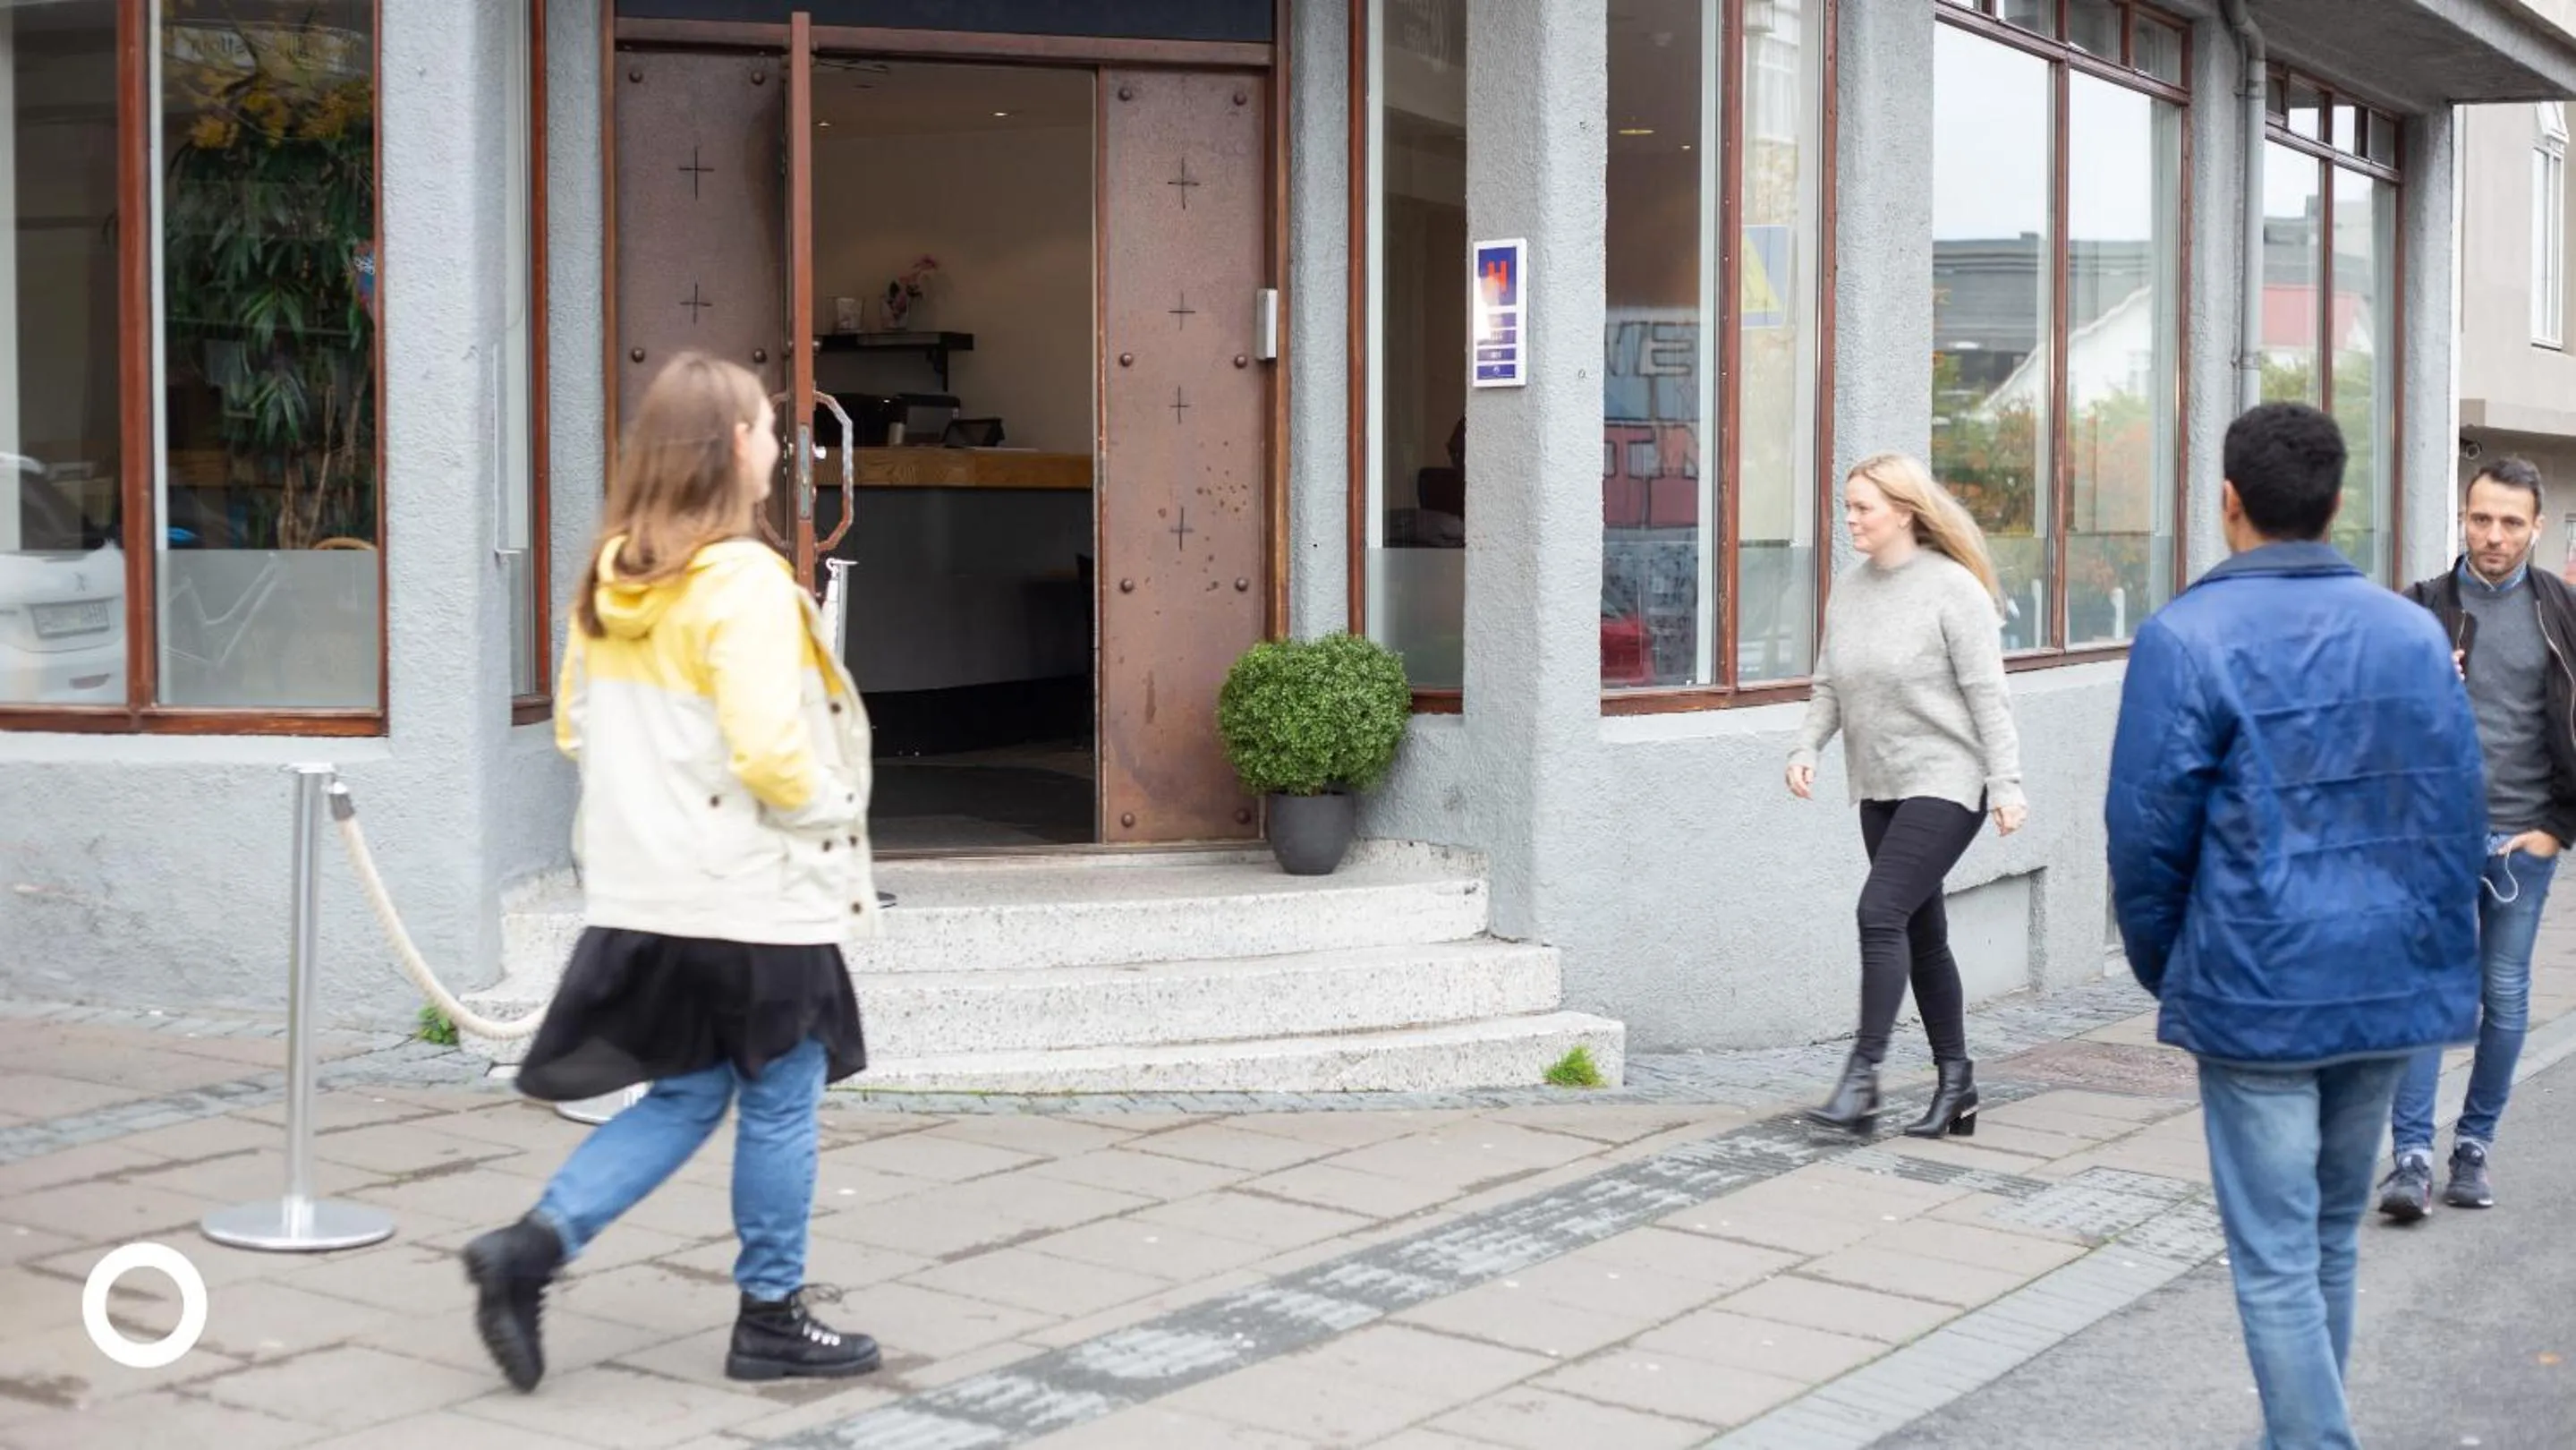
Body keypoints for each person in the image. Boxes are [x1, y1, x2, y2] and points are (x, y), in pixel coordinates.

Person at [461, 353, 882, 1392]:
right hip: (751, 896)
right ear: (731, 445)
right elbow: (770, 753)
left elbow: (574, 731)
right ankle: (771, 1317)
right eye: (768, 430)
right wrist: (834, 809)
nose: (781, 448)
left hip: (650, 893)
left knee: (689, 1092)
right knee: (781, 1096)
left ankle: (528, 1251)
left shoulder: (610, 579)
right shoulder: (738, 582)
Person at [2107, 402, 2483, 1449]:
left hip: (2257, 988)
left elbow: (2143, 836)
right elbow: (2457, 812)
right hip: (2380, 987)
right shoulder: (2412, 634)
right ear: (2334, 505)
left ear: (2227, 502)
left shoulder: (2182, 636)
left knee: (2275, 1255)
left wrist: (2166, 964)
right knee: (2325, 1240)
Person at [1787, 451, 2027, 1139]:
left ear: (1903, 511)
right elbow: (1828, 683)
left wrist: (2006, 785)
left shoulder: (1953, 590)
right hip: (1880, 784)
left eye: (1862, 507)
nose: (1851, 519)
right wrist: (1807, 746)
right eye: (1849, 507)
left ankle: (1861, 1079)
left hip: (1950, 779)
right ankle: (1958, 1083)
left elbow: (1989, 696)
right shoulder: (1851, 590)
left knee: (1878, 912)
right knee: (1922, 934)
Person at [2378, 456, 2576, 1220]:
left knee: (2503, 995)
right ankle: (2410, 1159)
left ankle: (2472, 1147)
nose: (2492, 536)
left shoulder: (2559, 611)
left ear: (2536, 525)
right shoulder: (2420, 609)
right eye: (2480, 518)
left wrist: (2555, 831)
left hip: (2520, 844)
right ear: (2462, 517)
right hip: (2433, 836)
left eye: (2509, 522)